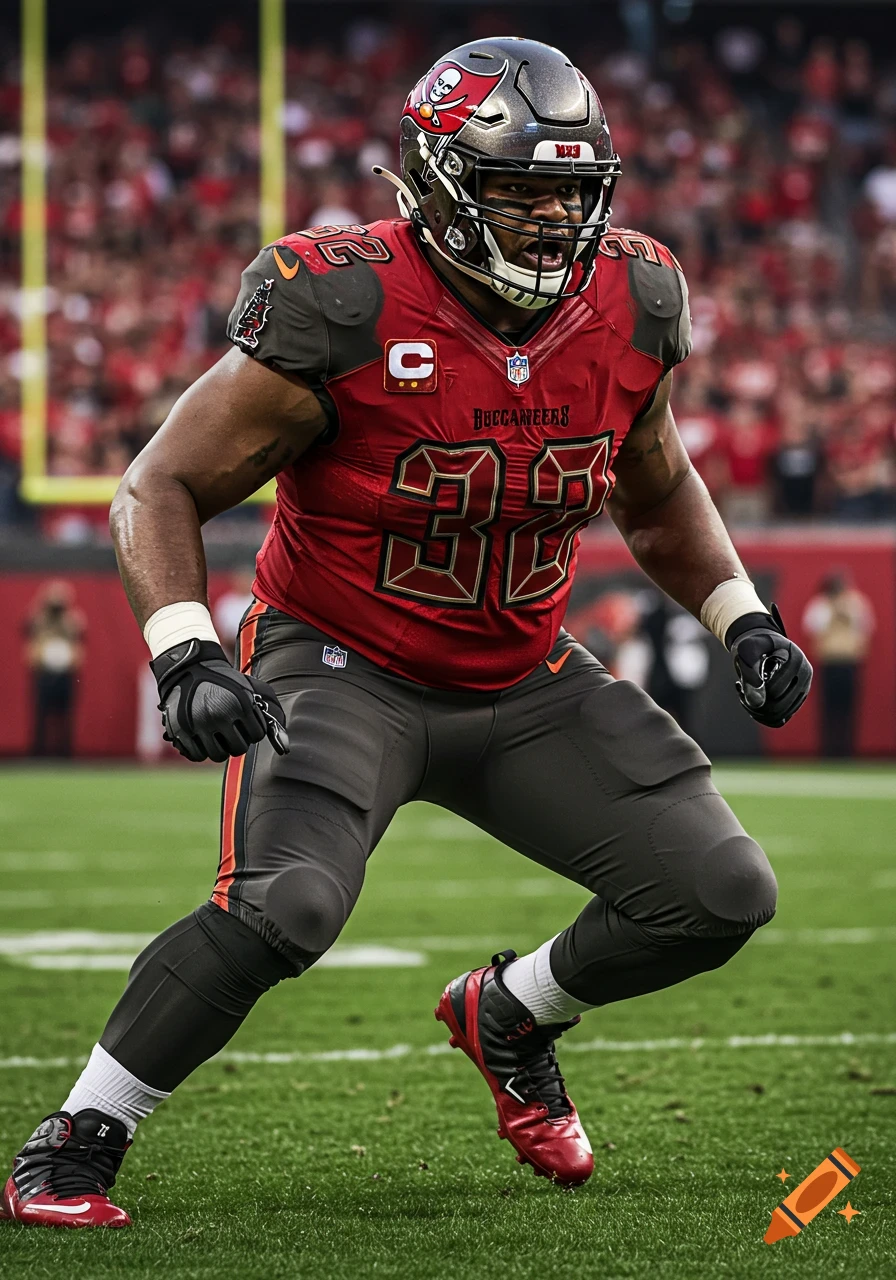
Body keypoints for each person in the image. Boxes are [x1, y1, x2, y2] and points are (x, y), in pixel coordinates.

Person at [1, 38, 812, 1228]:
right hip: (342, 664)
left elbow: (655, 485)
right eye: (518, 189)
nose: (552, 220)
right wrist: (185, 647)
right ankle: (79, 1132)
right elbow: (158, 483)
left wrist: (740, 615)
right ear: (436, 183)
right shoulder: (343, 301)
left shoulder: (632, 298)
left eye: (572, 193)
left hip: (523, 673)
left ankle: (511, 1010)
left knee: (718, 888)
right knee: (286, 904)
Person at [802, 573, 875, 756]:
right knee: (828, 707)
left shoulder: (856, 603)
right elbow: (811, 626)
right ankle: (828, 749)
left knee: (848, 708)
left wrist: (846, 611)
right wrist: (832, 611)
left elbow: (866, 627)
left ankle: (847, 749)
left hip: (850, 662)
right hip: (828, 662)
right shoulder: (821, 604)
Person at [23, 581, 85, 758]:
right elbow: (30, 639)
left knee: (66, 714)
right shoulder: (40, 620)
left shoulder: (71, 621)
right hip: (44, 672)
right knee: (41, 713)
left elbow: (79, 644)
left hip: (65, 673)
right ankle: (39, 750)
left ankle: (65, 750)